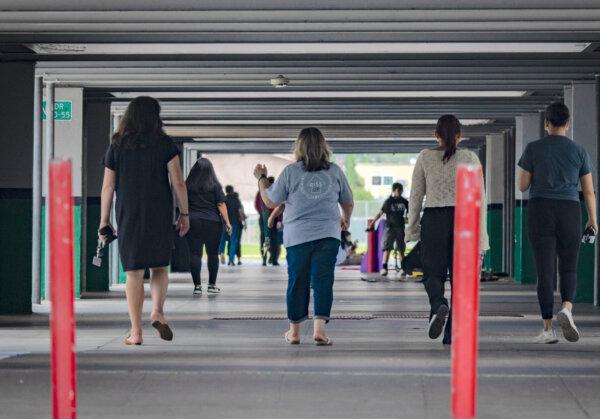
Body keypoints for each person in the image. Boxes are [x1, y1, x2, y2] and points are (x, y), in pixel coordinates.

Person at [99, 96, 189, 346]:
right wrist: (184, 214)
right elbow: (178, 182)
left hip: (129, 214)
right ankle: (158, 311)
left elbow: (108, 186)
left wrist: (104, 220)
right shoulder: (164, 144)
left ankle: (136, 332)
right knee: (160, 266)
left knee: (134, 272)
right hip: (159, 212)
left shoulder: (117, 145)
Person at [254, 127, 354, 345]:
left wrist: (261, 178)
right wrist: (345, 218)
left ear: (299, 147)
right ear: (323, 147)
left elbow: (270, 201)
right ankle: (320, 331)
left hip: (297, 236)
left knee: (297, 281)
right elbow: (347, 200)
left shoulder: (291, 172)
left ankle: (295, 333)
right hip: (328, 234)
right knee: (323, 281)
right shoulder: (335, 171)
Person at [518, 101, 597, 344]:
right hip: (570, 210)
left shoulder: (533, 148)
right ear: (568, 123)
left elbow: (522, 186)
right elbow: (589, 191)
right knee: (569, 266)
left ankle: (548, 329)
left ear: (546, 124)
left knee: (545, 271)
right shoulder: (579, 151)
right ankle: (567, 309)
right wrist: (593, 219)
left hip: (541, 209)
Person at [406, 114, 489, 346]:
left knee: (432, 274)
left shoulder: (425, 157)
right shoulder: (470, 158)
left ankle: (438, 304)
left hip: (434, 220)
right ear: (460, 136)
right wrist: (482, 237)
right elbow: (479, 199)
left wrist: (412, 229)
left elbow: (415, 197)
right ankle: (451, 334)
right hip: (464, 221)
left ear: (436, 135)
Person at [185, 157, 232, 296]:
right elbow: (221, 204)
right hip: (213, 223)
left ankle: (197, 286)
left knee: (195, 254)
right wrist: (228, 222)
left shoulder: (187, 185)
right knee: (212, 254)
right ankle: (211, 285)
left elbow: (182, 202)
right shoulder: (215, 186)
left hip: (193, 222)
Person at [367, 182, 409, 276]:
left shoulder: (404, 201)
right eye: (398, 190)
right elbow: (380, 213)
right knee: (387, 248)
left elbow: (411, 211)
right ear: (394, 191)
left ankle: (403, 268)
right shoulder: (388, 201)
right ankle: (384, 268)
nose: (400, 192)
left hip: (400, 227)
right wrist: (372, 223)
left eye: (401, 190)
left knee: (401, 248)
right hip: (390, 227)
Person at [219, 185, 244, 266]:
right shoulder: (236, 200)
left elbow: (220, 210)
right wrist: (243, 219)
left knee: (222, 241)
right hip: (234, 223)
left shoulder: (223, 199)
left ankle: (221, 252)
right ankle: (231, 260)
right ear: (232, 190)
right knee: (233, 242)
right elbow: (240, 211)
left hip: (224, 223)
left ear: (226, 191)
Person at [255, 177, 275, 266]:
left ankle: (269, 257)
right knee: (267, 238)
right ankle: (266, 258)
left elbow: (257, 205)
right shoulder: (262, 192)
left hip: (268, 217)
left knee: (267, 238)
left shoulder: (261, 192)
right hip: (267, 217)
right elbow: (257, 205)